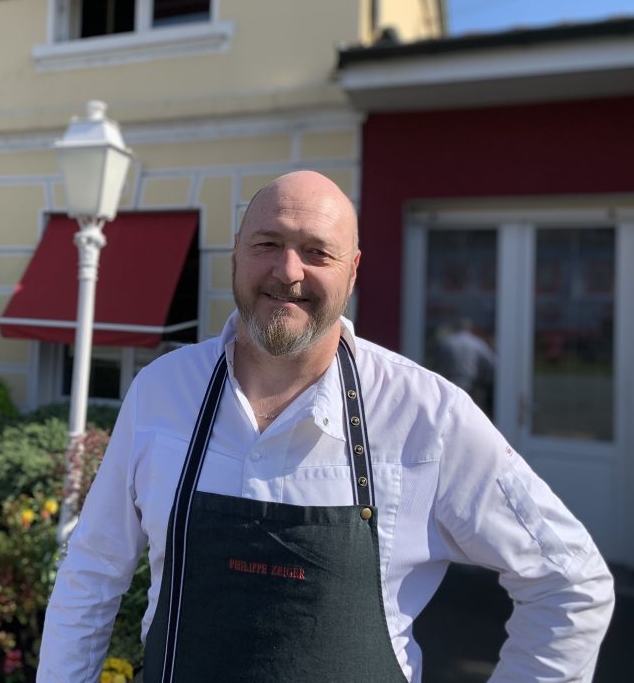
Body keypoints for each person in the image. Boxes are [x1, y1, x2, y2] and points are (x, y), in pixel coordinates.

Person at [37, 171, 614, 682]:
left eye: (318, 252)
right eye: (268, 244)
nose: (288, 272)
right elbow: (92, 570)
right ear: (235, 254)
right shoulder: (161, 392)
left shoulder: (427, 416)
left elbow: (571, 581)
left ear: (353, 270)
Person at [433, 317, 496, 414]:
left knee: (449, 414)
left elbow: (437, 365)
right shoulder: (478, 343)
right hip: (471, 387)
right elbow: (490, 364)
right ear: (470, 328)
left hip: (450, 385)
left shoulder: (447, 343)